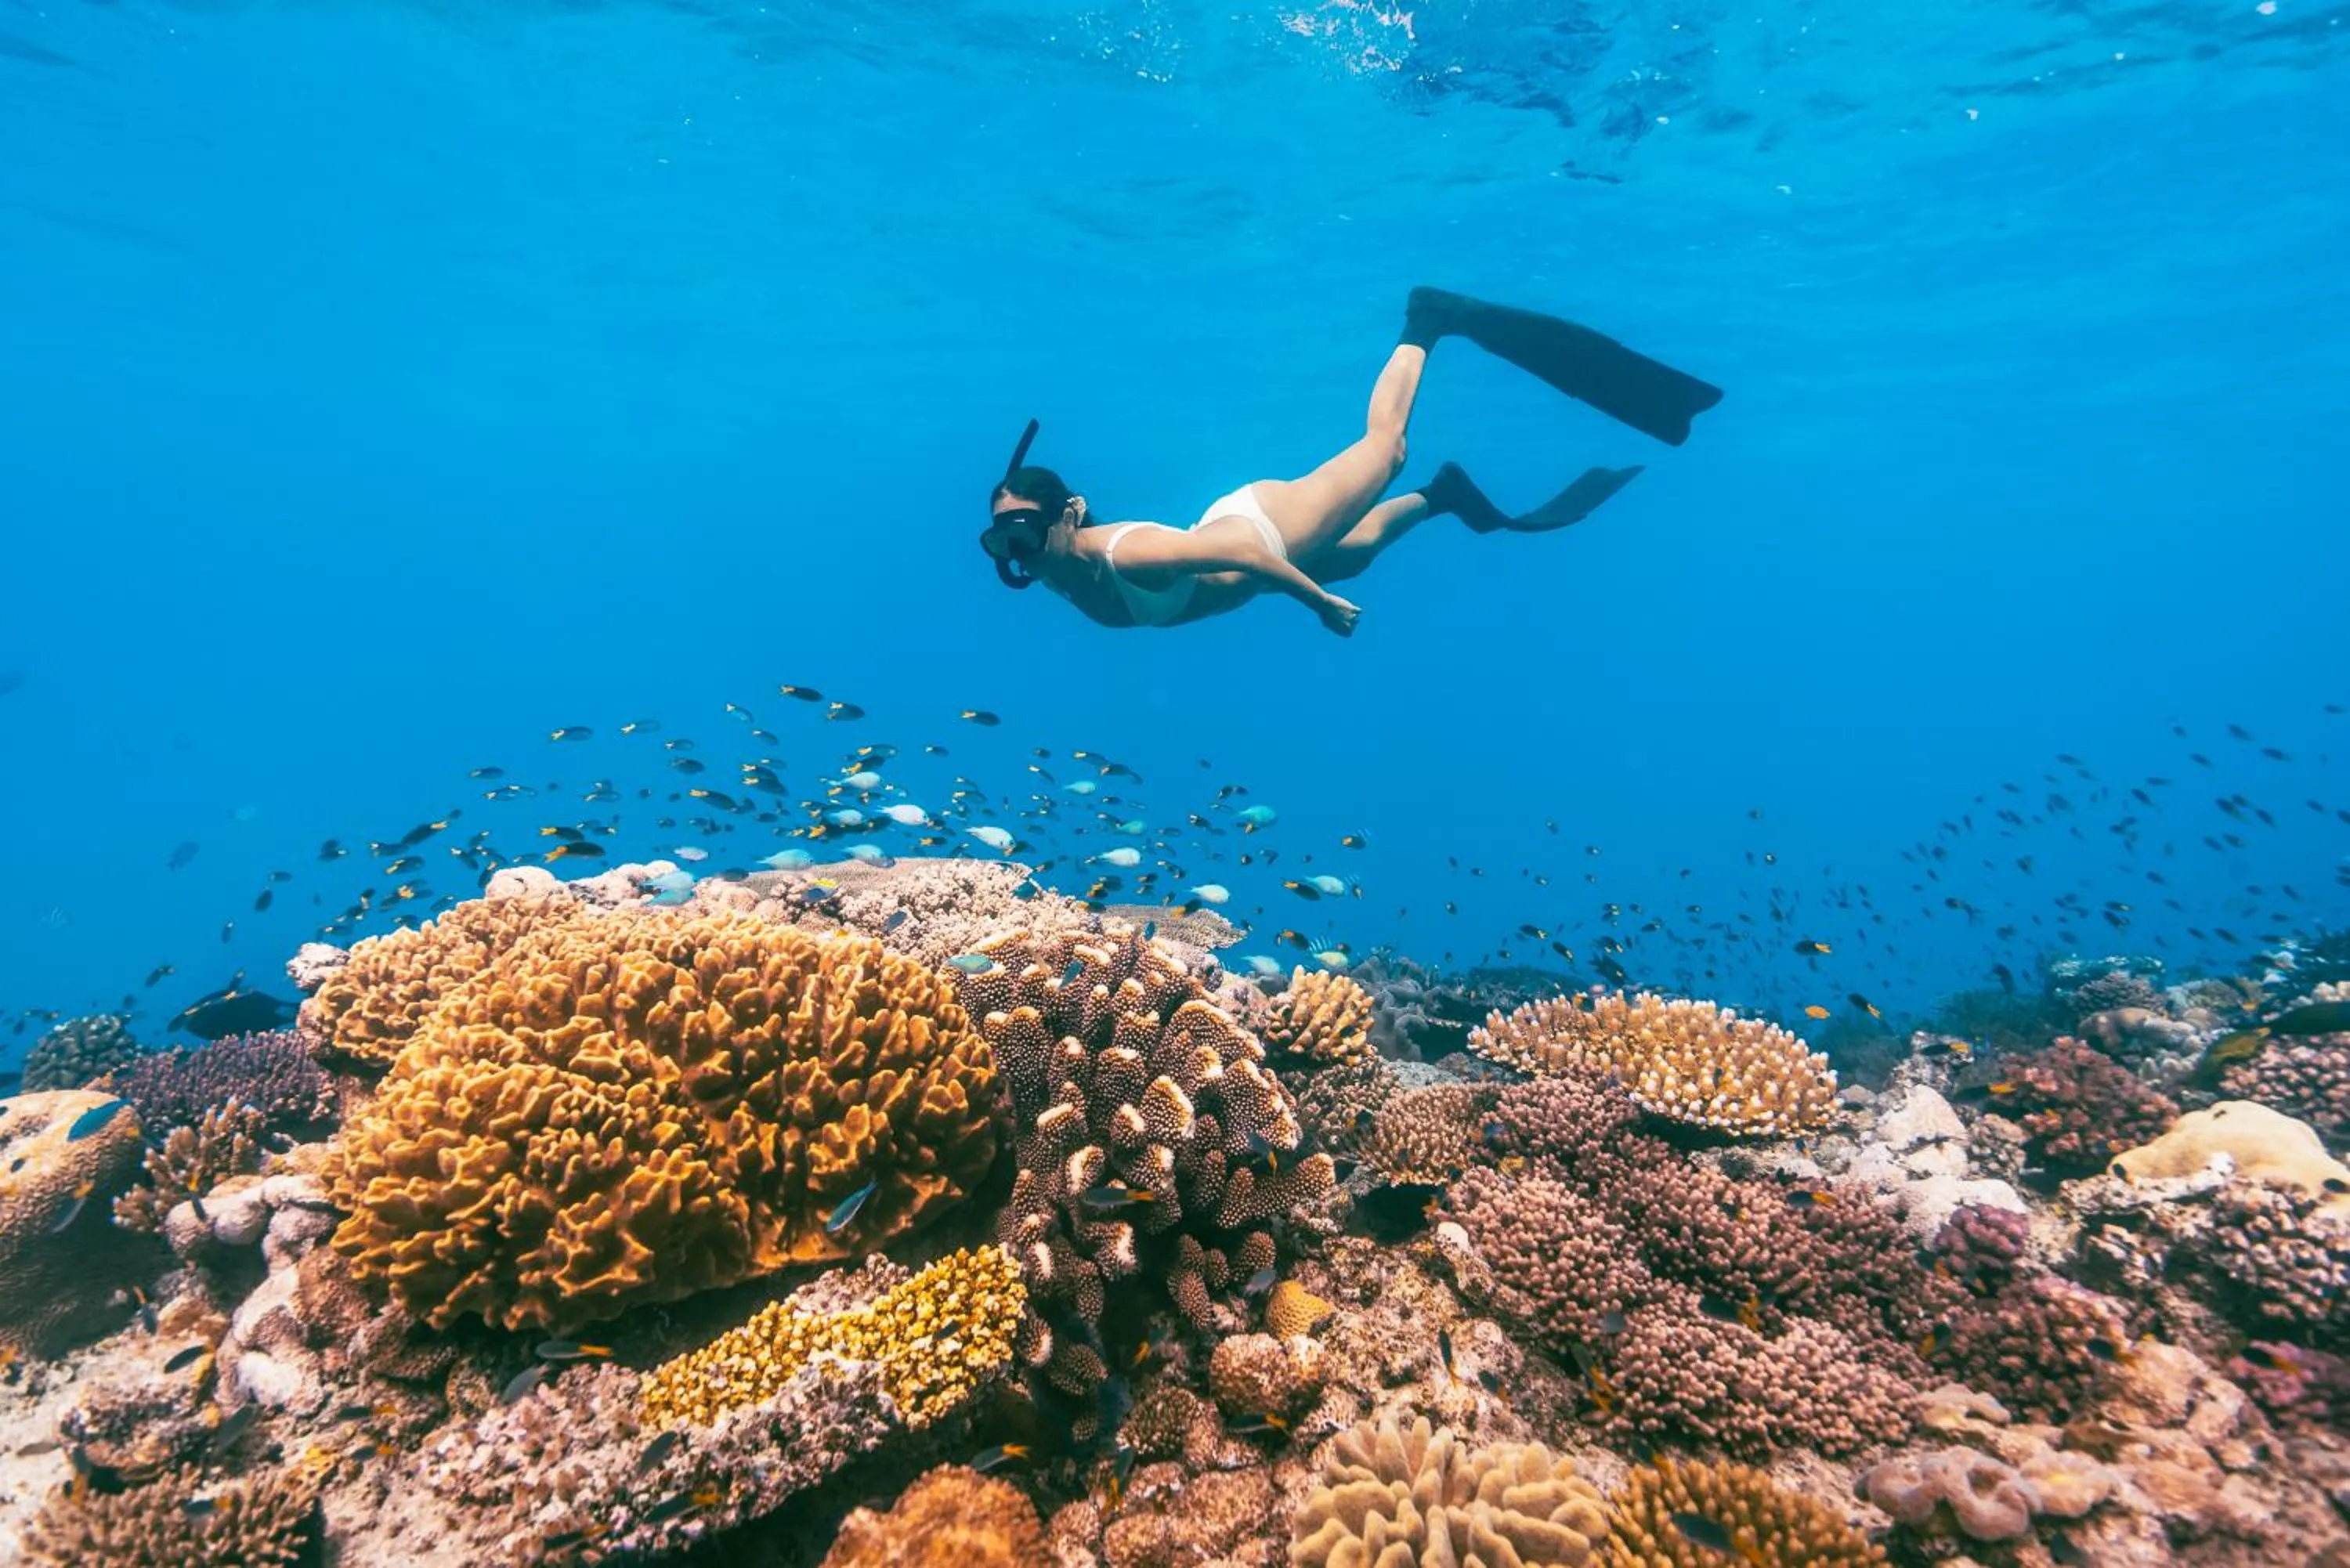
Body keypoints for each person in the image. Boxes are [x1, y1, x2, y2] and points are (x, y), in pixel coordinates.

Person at [978, 287, 1723, 634]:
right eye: (999, 540)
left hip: (1264, 531)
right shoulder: (1055, 564)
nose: (1015, 550)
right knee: (1357, 552)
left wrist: (1317, 605)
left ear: (1071, 514)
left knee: (1384, 450)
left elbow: (1239, 551)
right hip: (1251, 566)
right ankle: (1445, 495)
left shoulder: (1132, 554)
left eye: (1025, 530)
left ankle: (1427, 322)